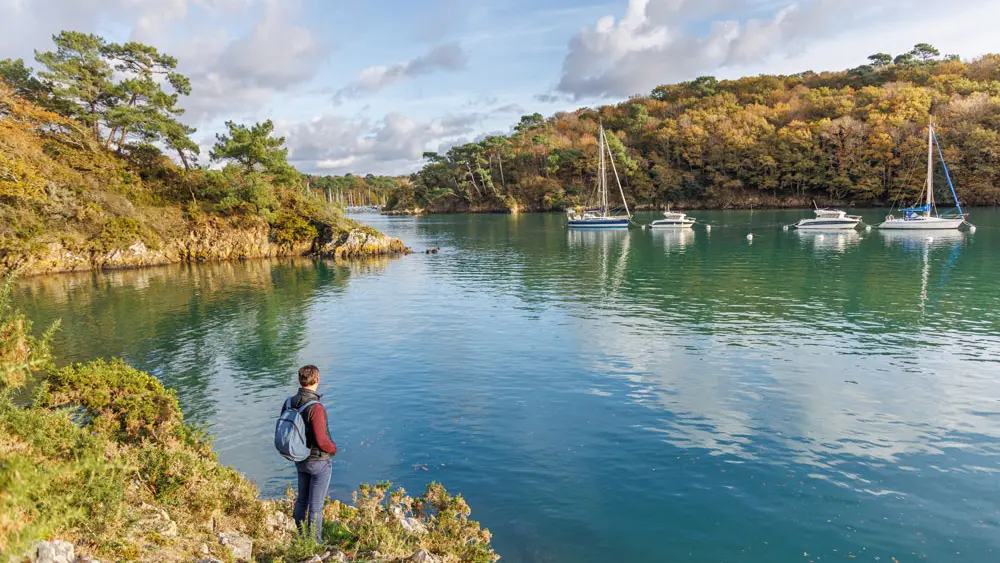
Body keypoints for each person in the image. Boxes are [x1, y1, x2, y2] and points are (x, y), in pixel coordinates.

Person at [282, 365, 337, 541]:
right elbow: (321, 440)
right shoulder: (316, 408)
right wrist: (333, 449)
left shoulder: (289, 402)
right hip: (318, 461)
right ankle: (315, 543)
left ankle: (300, 536)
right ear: (317, 379)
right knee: (315, 506)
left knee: (302, 501)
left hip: (299, 458)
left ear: (300, 380)